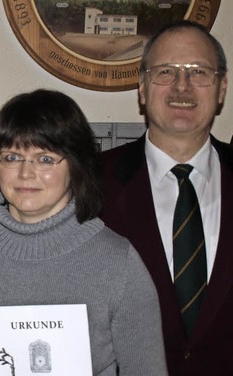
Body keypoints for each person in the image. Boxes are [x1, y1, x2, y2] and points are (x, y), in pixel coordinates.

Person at [0, 89, 167, 375]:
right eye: (12, 157)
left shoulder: (118, 262)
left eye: (45, 159)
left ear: (76, 166)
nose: (26, 173)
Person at [100, 20, 231, 375]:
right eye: (165, 72)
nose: (181, 86)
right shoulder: (90, 183)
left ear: (221, 88)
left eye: (199, 72)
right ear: (142, 88)